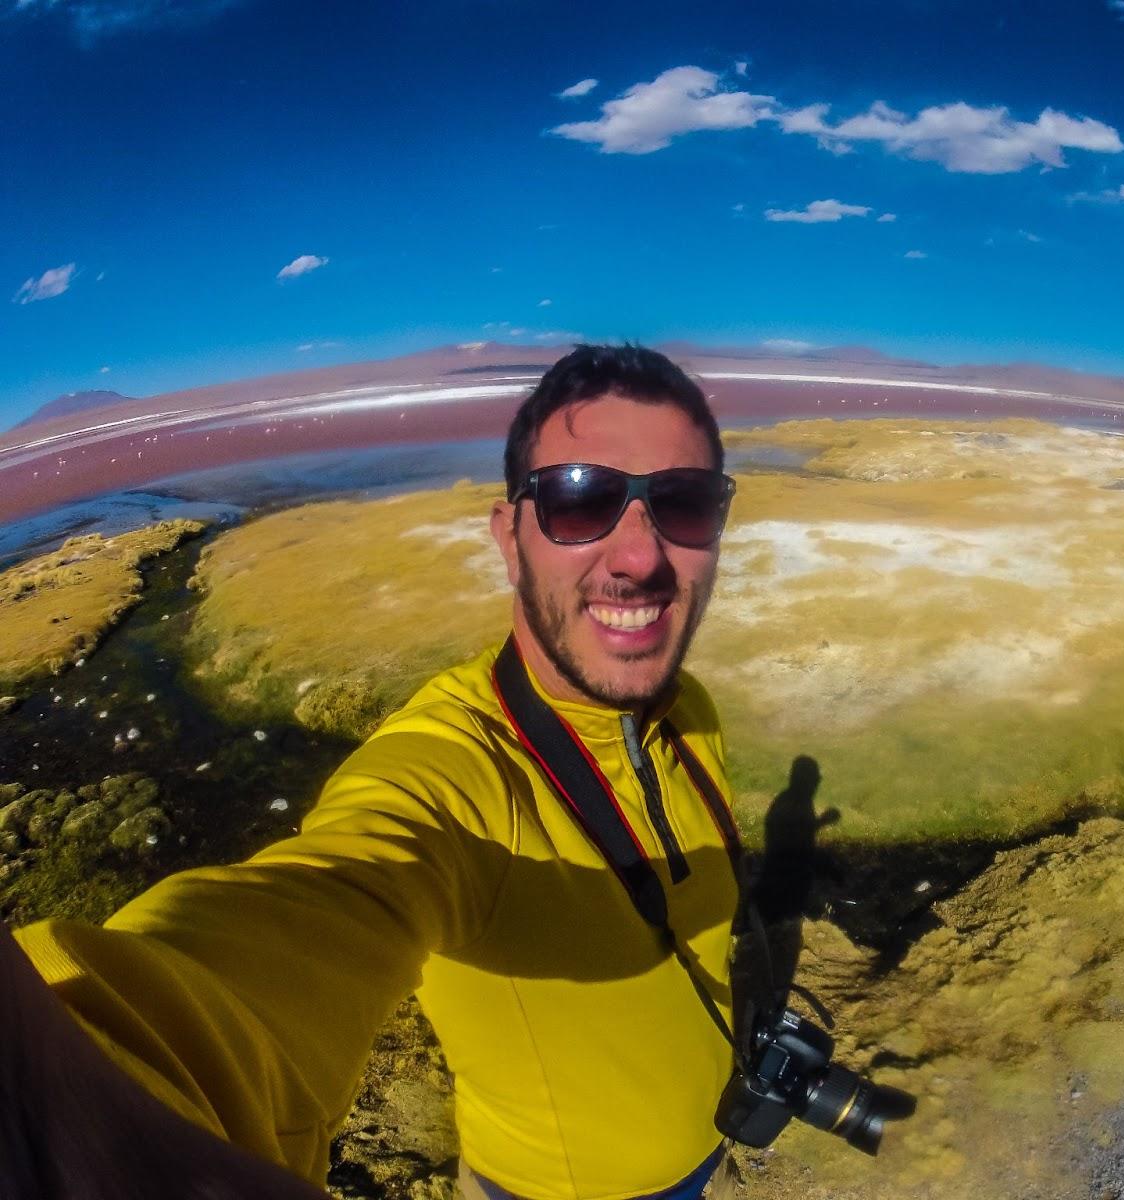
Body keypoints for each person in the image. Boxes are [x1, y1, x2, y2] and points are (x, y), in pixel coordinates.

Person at [1, 344, 746, 1200]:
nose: (641, 559)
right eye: (582, 501)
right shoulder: (449, 778)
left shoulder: (688, 711)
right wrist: (76, 1099)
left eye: (686, 503)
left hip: (704, 1151)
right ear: (510, 537)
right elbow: (313, 907)